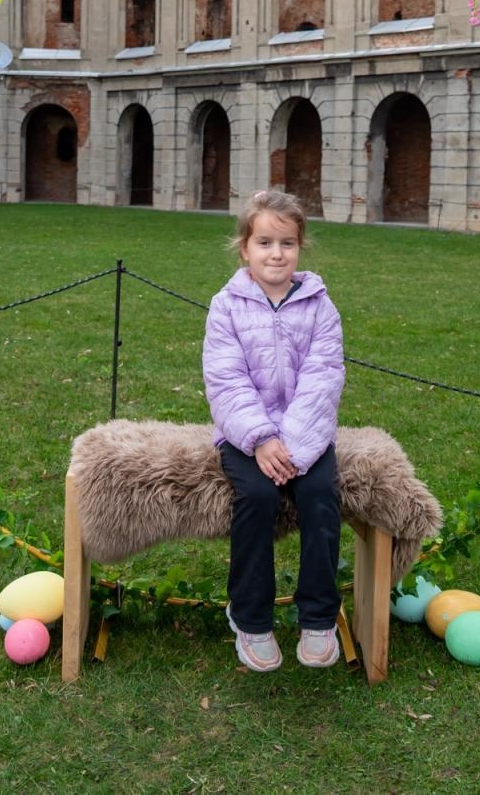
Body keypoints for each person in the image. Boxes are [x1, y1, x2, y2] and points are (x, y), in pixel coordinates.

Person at [203, 189, 345, 671]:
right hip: (246, 434)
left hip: (307, 435)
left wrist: (296, 449)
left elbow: (323, 377)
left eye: (286, 243)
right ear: (245, 247)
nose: (276, 253)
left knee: (321, 495)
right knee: (259, 499)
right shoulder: (226, 307)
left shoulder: (320, 306)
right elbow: (226, 379)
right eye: (265, 242)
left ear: (300, 246)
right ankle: (251, 618)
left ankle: (319, 616)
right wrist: (261, 439)